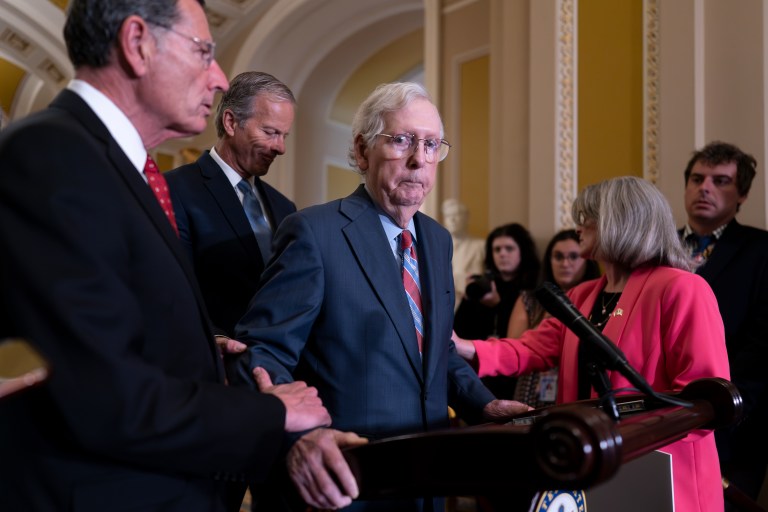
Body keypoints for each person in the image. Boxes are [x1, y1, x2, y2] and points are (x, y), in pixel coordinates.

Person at [0, 1, 364, 511]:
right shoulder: (54, 154)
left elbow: (122, 336)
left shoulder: (117, 167)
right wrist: (269, 413)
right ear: (137, 43)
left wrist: (198, 347)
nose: (218, 78)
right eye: (204, 51)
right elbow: (106, 397)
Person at [231, 81, 530, 511]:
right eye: (403, 140)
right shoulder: (315, 232)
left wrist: (485, 404)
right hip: (347, 481)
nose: (418, 159)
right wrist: (302, 439)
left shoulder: (438, 240)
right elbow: (261, 354)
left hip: (428, 479)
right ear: (362, 149)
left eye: (430, 145)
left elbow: (436, 351)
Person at [454, 176, 729, 512]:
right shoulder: (583, 294)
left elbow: (702, 399)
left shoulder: (683, 289)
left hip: (665, 473)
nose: (578, 226)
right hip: (595, 466)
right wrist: (460, 345)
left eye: (588, 217)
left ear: (621, 222)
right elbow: (530, 348)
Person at [166, 71, 297, 349]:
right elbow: (172, 288)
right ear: (231, 122)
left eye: (284, 135)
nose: (281, 147)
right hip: (211, 362)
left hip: (278, 365)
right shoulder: (175, 190)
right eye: (270, 132)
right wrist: (216, 339)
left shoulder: (284, 207)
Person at [680, 141, 768, 505]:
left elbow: (764, 340)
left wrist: (729, 400)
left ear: (742, 194)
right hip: (665, 412)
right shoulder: (658, 247)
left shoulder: (761, 249)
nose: (705, 188)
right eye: (698, 179)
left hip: (737, 415)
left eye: (721, 181)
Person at [508, 229, 601, 408]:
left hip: (576, 387)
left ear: (586, 260)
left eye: (573, 257)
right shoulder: (530, 300)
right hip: (531, 386)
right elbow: (514, 347)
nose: (565, 263)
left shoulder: (596, 299)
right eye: (558, 257)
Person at [453, 223, 540, 399]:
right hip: (478, 372)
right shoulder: (482, 286)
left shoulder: (533, 290)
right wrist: (471, 297)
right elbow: (458, 329)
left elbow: (526, 337)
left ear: (522, 251)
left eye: (509, 248)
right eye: (497, 249)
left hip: (517, 376)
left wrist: (498, 305)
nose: (502, 254)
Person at [441, 198, 485, 310]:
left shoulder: (480, 246)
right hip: (443, 307)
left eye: (456, 215)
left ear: (466, 217)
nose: (452, 220)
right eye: (448, 216)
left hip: (471, 306)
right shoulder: (438, 248)